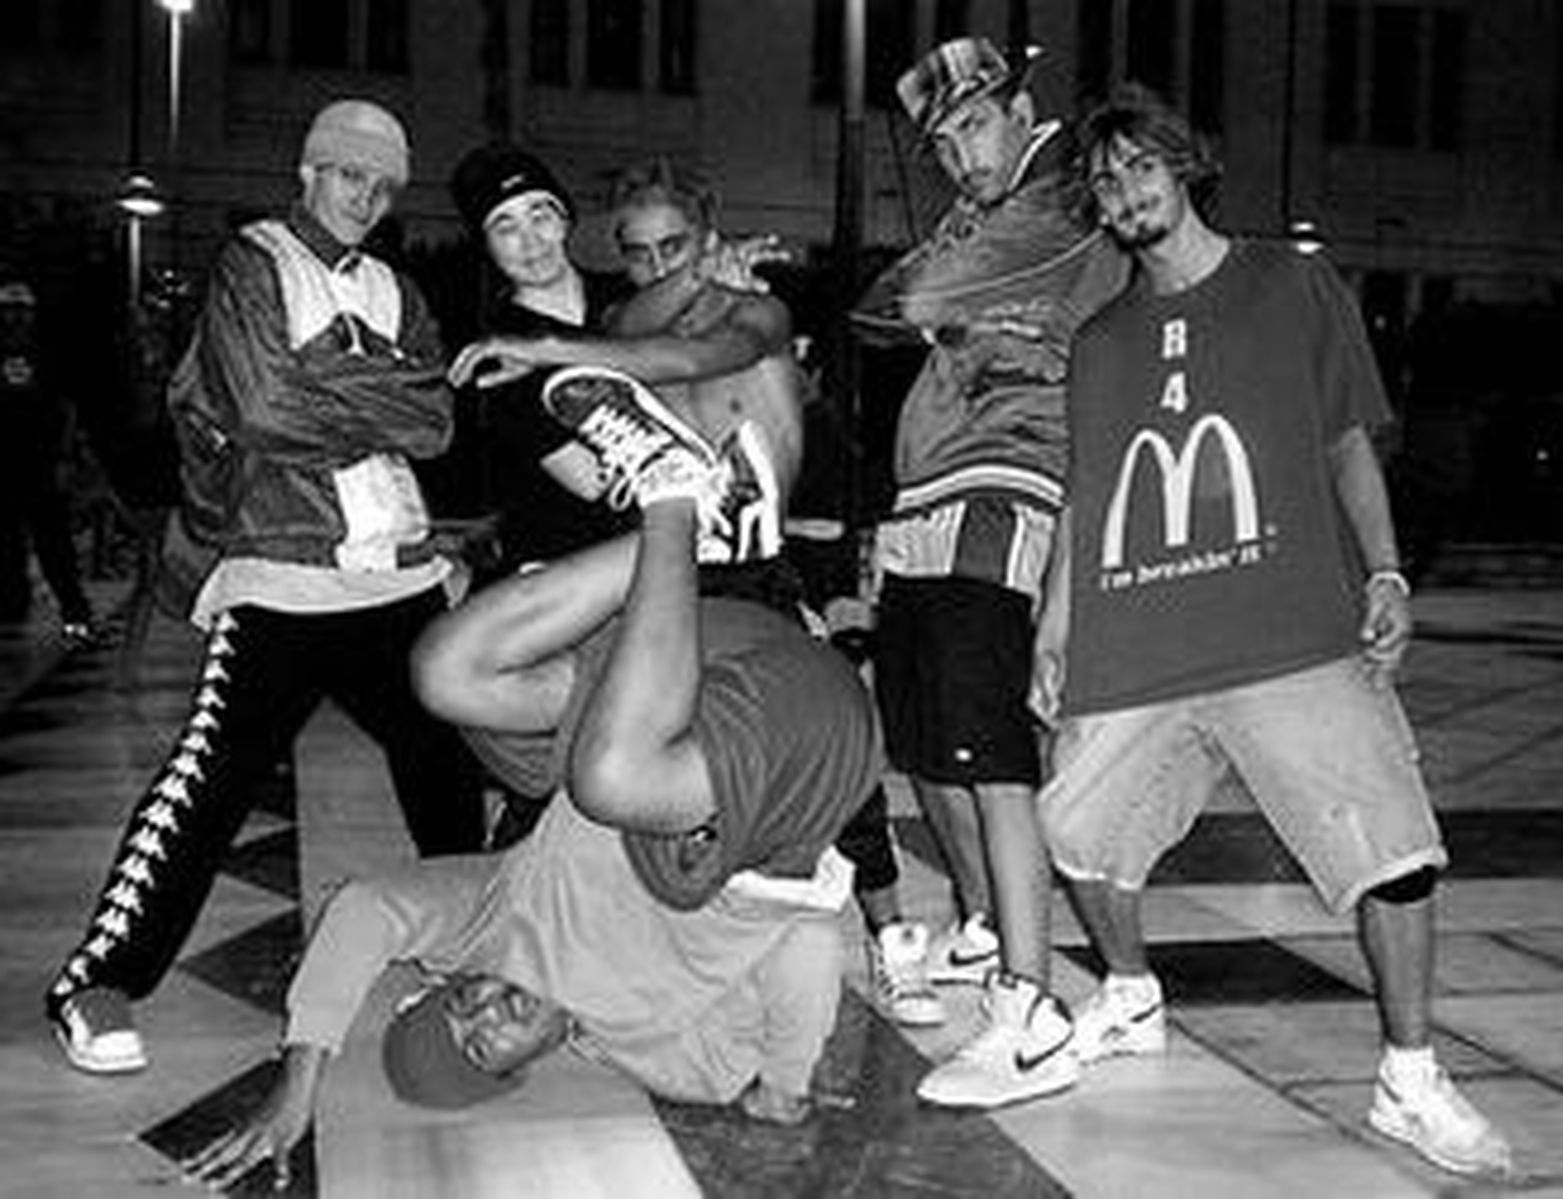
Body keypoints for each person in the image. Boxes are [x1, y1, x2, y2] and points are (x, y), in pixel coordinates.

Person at [181, 365, 881, 1191]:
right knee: (607, 783)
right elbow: (803, 941)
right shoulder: (646, 1041)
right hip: (797, 754)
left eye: (458, 1006)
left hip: (715, 653)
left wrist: (298, 1084)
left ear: (443, 981)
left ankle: (704, 523)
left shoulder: (492, 920)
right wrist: (787, 1086)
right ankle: (670, 502)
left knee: (446, 673)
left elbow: (364, 909)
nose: (486, 1011)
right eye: (484, 1046)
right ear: (523, 1067)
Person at [1028, 84, 1512, 1177]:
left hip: (1289, 632)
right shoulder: (1099, 341)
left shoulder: (1290, 283)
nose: (1125, 192)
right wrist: (1056, 621)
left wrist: (1383, 569)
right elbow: (1086, 494)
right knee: (1074, 832)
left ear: (1184, 164)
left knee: (1394, 850)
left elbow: (1346, 439)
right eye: (1105, 182)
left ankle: (1410, 1077)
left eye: (1141, 165)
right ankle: (1128, 991)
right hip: (1142, 637)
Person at [44, 99, 487, 1077]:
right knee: (211, 780)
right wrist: (369, 388)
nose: (365, 197)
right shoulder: (253, 263)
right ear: (309, 170)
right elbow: (262, 406)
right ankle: (97, 978)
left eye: (382, 184)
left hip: (394, 570)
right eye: (349, 175)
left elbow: (434, 421)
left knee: (445, 764)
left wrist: (328, 376)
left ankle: (465, 950)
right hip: (281, 567)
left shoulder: (397, 288)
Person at [451, 160, 942, 1025]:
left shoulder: (727, 312)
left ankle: (892, 933)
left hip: (740, 564)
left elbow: (695, 349)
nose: (651, 266)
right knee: (568, 768)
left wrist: (694, 280)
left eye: (671, 248)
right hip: (630, 571)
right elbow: (638, 349)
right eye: (637, 253)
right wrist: (679, 281)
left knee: (833, 742)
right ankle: (499, 944)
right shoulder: (586, 335)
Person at [851, 37, 1128, 1105]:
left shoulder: (1064, 200)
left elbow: (901, 305)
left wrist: (953, 263)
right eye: (942, 141)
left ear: (1021, 110)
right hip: (932, 485)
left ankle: (1032, 1012)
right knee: (929, 737)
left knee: (993, 749)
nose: (959, 153)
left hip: (1009, 478)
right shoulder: (989, 216)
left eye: (974, 124)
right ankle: (985, 930)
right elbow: (892, 316)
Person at [445, 141, 634, 573]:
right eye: (505, 227)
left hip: (660, 546)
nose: (530, 242)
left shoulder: (624, 300)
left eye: (540, 215)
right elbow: (593, 482)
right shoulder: (497, 355)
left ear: (565, 220)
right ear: (486, 246)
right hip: (562, 564)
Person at [0, 275, 95, 640]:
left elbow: (66, 407)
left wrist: (66, 456)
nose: (14, 318)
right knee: (9, 541)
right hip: (8, 460)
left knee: (53, 541)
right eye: (8, 310)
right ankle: (12, 606)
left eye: (20, 310)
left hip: (40, 461)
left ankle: (74, 610)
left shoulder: (48, 354)